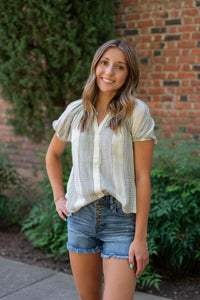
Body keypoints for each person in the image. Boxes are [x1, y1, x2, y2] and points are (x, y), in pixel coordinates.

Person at [46, 39, 157, 300]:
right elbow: (52, 155)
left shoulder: (136, 113)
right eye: (104, 63)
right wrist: (58, 196)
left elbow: (143, 178)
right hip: (80, 219)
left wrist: (140, 238)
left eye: (119, 67)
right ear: (96, 65)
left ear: (129, 74)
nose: (109, 72)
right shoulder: (75, 111)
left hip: (121, 222)